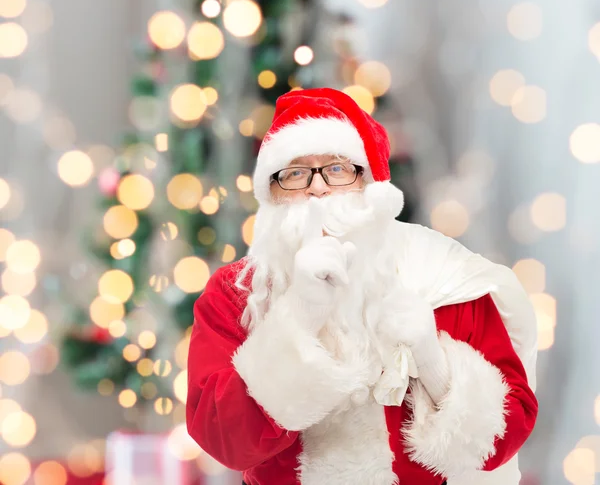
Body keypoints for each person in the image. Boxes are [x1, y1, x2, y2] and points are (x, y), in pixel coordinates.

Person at [186, 88, 538, 485]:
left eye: (337, 169)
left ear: (369, 183)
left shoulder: (440, 274)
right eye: (295, 173)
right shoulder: (237, 293)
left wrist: (433, 360)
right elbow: (223, 441)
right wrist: (298, 320)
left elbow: (505, 435)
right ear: (272, 192)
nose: (317, 188)